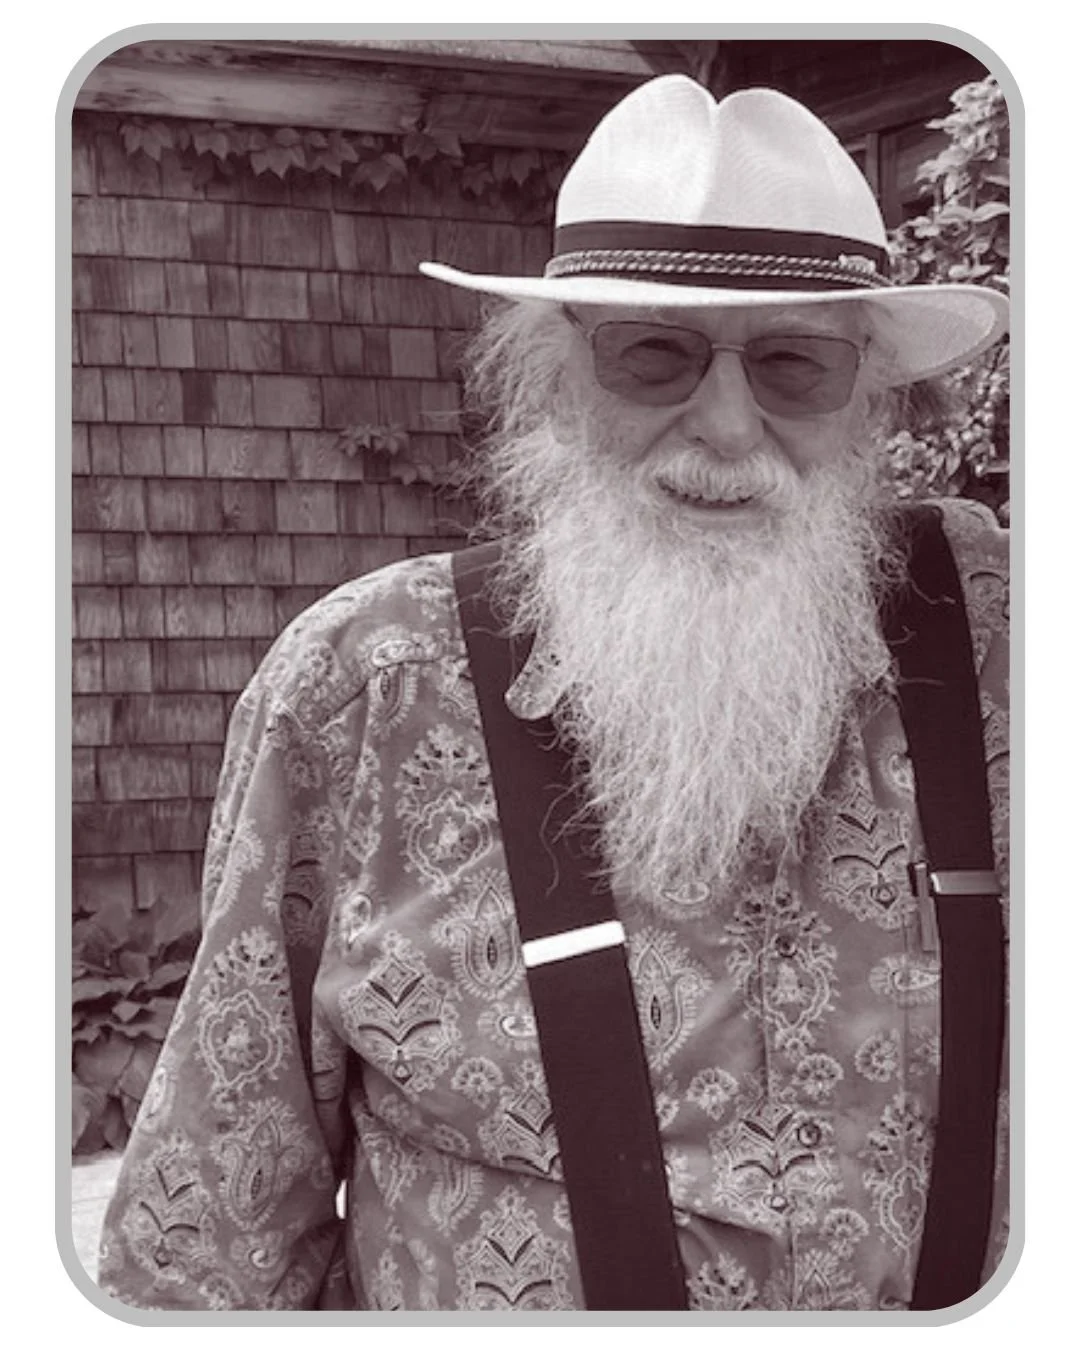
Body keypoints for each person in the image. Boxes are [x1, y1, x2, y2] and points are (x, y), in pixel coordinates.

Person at [96, 74, 1009, 1313]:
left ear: (870, 399)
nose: (729, 429)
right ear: (551, 373)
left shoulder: (1008, 648)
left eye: (797, 364)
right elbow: (208, 1234)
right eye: (654, 353)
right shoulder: (366, 686)